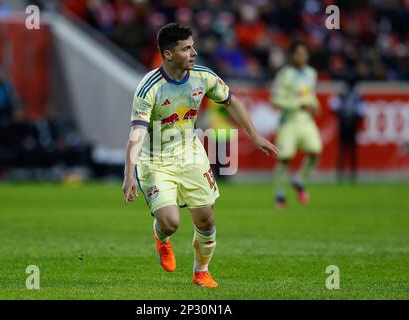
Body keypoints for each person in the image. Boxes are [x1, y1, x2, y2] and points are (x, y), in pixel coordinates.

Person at [122, 23, 278, 288]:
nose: (194, 52)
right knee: (171, 223)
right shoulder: (149, 88)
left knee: (206, 219)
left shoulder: (203, 76)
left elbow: (231, 101)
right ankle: (162, 237)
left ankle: (201, 271)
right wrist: (129, 175)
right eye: (186, 49)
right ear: (169, 54)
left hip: (191, 153)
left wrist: (254, 135)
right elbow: (136, 134)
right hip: (155, 160)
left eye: (193, 46)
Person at [271, 41, 322, 209]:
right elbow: (276, 99)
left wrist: (314, 104)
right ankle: (279, 193)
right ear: (292, 55)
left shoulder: (311, 73)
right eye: (299, 54)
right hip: (289, 120)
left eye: (304, 54)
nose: (302, 57)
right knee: (285, 158)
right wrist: (297, 105)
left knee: (315, 151)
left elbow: (309, 94)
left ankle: (300, 180)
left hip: (306, 120)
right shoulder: (284, 74)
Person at [329, 77, 365, 183]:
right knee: (346, 150)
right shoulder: (353, 96)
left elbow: (333, 106)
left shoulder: (348, 95)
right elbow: (361, 110)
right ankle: (344, 174)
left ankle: (349, 174)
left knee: (347, 150)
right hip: (347, 124)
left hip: (348, 124)